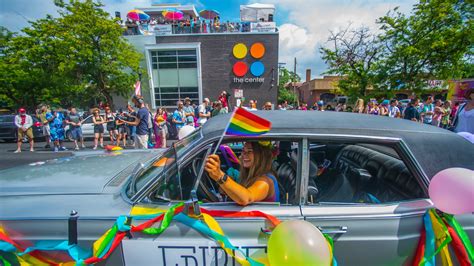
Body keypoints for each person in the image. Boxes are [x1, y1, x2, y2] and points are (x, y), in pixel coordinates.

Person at [204, 142, 278, 205]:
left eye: (249, 151)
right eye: (243, 151)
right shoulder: (249, 176)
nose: (244, 154)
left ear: (262, 155)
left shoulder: (265, 181)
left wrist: (220, 176)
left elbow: (247, 198)